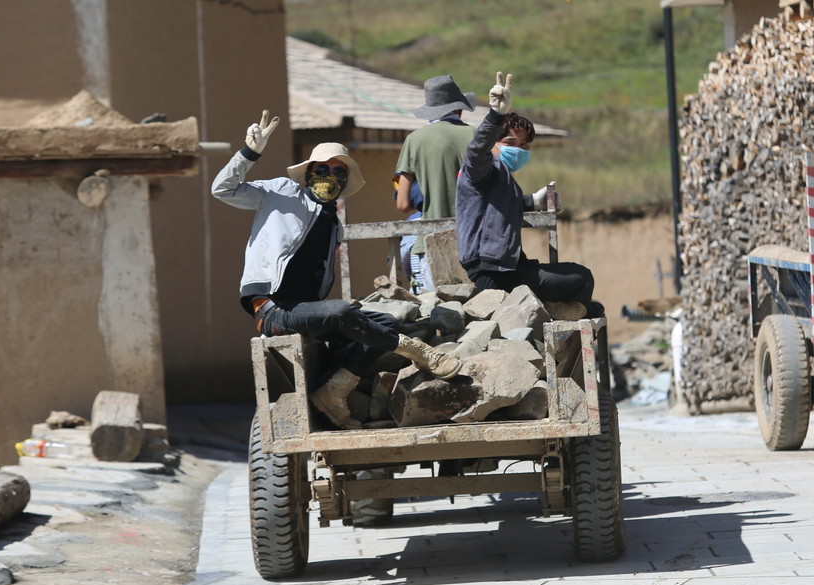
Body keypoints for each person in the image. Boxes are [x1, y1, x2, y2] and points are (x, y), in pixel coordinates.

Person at [211, 111, 461, 429]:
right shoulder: (279, 193)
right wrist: (249, 153)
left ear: (344, 181)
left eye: (337, 171)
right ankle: (419, 352)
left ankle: (334, 389)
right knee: (343, 311)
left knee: (382, 320)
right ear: (309, 173)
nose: (329, 175)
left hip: (306, 310)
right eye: (322, 169)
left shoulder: (333, 224)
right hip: (273, 310)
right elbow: (222, 189)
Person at [455, 72, 600, 319]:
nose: (520, 149)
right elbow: (476, 150)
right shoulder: (479, 168)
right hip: (491, 270)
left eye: (524, 145)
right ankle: (554, 313)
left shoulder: (502, 175)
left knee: (584, 285)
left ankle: (560, 311)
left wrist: (534, 201)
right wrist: (495, 115)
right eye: (512, 142)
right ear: (495, 142)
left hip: (512, 266)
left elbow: (498, 206)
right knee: (581, 280)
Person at [393, 74, 477, 291]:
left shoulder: (414, 140)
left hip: (430, 243)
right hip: (473, 242)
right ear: (459, 109)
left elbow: (402, 205)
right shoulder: (473, 135)